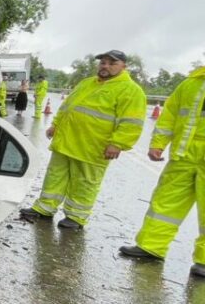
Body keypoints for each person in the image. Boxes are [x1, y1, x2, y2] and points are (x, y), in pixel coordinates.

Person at [19, 50, 146, 229]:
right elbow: (67, 106)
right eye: (103, 62)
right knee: (54, 176)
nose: (105, 66)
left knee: (85, 182)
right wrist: (55, 125)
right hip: (66, 141)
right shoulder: (87, 83)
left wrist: (118, 143)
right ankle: (45, 208)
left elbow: (132, 122)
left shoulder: (131, 91)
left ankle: (76, 217)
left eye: (112, 63)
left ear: (124, 67)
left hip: (93, 146)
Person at [119, 66, 205, 278]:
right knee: (165, 203)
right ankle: (151, 246)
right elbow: (170, 114)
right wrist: (158, 143)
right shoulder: (191, 83)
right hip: (184, 155)